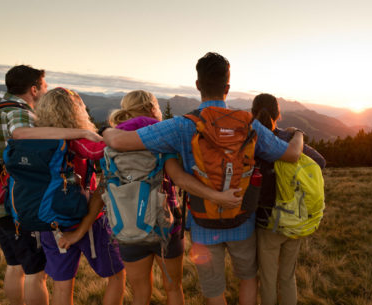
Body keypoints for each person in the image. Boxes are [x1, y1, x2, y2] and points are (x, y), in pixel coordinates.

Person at [102, 52, 304, 305]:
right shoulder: (248, 123)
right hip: (242, 218)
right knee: (248, 279)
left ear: (198, 85)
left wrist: (106, 129)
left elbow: (119, 141)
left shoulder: (183, 125)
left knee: (213, 290)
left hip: (203, 223)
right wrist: (298, 134)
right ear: (227, 88)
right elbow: (292, 154)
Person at [107, 89, 243, 305]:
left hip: (127, 224)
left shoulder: (113, 141)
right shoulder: (159, 137)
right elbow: (178, 178)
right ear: (152, 109)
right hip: (165, 222)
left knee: (140, 292)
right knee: (173, 288)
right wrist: (216, 196)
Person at [0, 65, 101, 305]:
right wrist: (80, 131)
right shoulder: (19, 113)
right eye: (44, 86)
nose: (45, 91)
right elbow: (20, 135)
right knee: (34, 271)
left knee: (15, 264)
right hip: (21, 201)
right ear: (34, 88)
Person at [30, 87, 126, 305]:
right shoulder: (76, 139)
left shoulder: (37, 138)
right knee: (116, 275)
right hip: (85, 218)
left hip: (49, 221)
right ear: (74, 111)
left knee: (62, 285)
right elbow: (103, 151)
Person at [251, 93, 326, 305]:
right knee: (287, 277)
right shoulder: (288, 139)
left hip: (266, 221)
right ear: (279, 115)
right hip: (294, 218)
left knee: (267, 278)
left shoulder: (251, 140)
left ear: (252, 114)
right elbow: (319, 161)